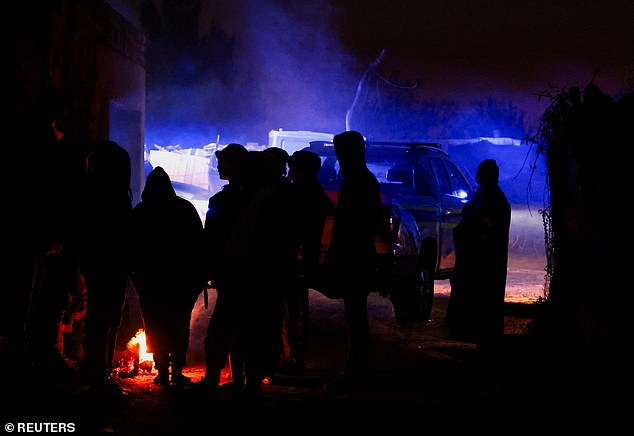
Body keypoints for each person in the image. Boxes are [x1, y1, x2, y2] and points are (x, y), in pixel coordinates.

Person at [130, 166, 206, 387]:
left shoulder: (141, 211)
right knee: (179, 324)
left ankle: (162, 371)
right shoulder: (185, 209)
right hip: (181, 280)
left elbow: (132, 245)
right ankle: (176, 372)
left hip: (151, 281)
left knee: (155, 324)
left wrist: (136, 276)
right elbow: (198, 244)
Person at [323, 131, 384, 391]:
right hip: (359, 255)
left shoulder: (358, 181)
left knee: (355, 315)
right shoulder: (362, 179)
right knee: (355, 314)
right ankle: (359, 368)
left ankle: (356, 370)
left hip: (354, 256)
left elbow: (352, 224)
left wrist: (337, 253)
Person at [445, 159, 511, 385]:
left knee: (486, 305)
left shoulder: (496, 201)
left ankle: (488, 354)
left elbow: (489, 229)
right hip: (474, 262)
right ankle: (481, 349)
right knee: (476, 306)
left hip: (485, 264)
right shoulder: (482, 196)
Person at [77, 139, 134, 397]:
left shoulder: (96, 194)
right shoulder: (106, 197)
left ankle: (100, 370)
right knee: (104, 319)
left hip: (106, 264)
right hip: (107, 265)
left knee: (106, 319)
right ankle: (98, 375)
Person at [198, 143, 250, 394]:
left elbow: (211, 239)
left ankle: (212, 379)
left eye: (223, 162)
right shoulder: (254, 197)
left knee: (220, 330)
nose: (218, 166)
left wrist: (208, 268)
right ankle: (240, 379)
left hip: (231, 273)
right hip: (247, 273)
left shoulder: (222, 201)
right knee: (242, 329)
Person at [280, 150, 335, 373]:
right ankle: (293, 356)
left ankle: (293, 358)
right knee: (295, 308)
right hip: (303, 257)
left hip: (297, 258)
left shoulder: (302, 193)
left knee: (292, 310)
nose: (289, 173)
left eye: (293, 168)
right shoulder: (313, 192)